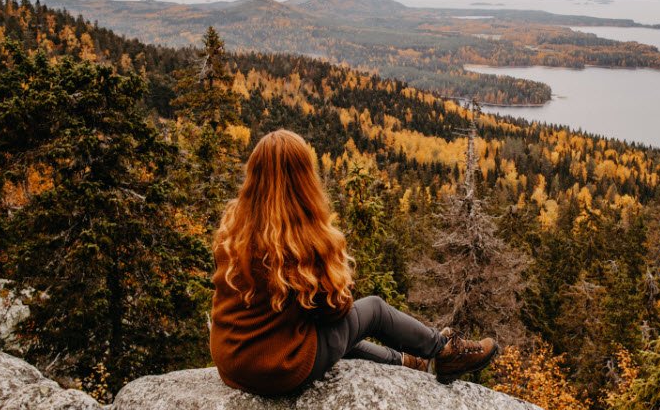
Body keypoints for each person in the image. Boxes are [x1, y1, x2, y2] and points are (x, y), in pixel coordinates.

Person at [209, 129, 499, 396]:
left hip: (232, 362)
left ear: (254, 175)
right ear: (304, 180)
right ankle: (445, 352)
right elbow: (335, 312)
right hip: (278, 370)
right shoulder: (304, 239)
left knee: (329, 337)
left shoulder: (235, 229)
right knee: (372, 310)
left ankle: (408, 362)